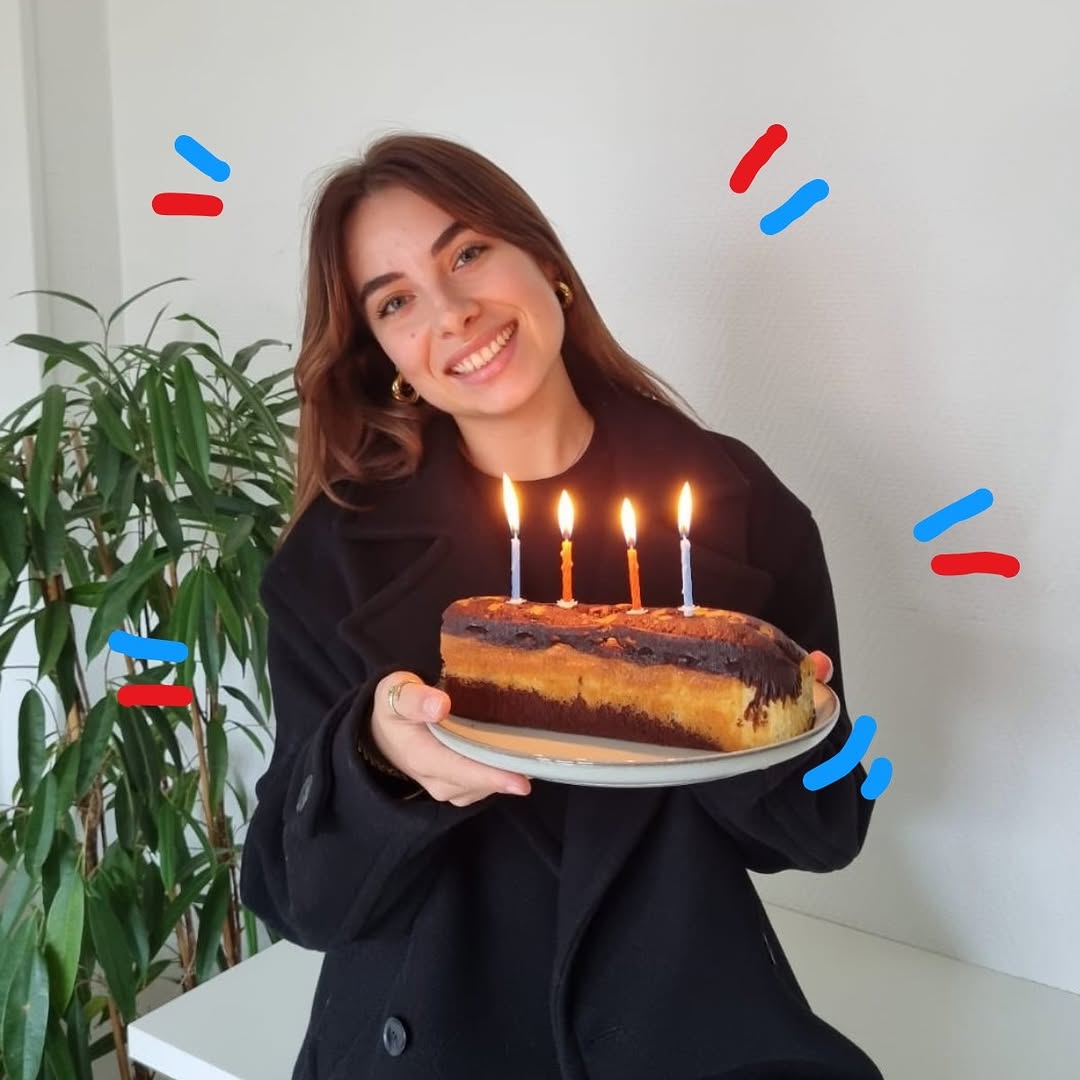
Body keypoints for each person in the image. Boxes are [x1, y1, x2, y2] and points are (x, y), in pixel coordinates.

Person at [239, 132, 883, 1080]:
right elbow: (295, 898)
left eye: (468, 253)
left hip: (679, 1026)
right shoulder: (330, 562)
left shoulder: (740, 505)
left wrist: (754, 721)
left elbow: (828, 830)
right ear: (386, 356)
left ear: (546, 262)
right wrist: (379, 762)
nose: (452, 312)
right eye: (396, 301)